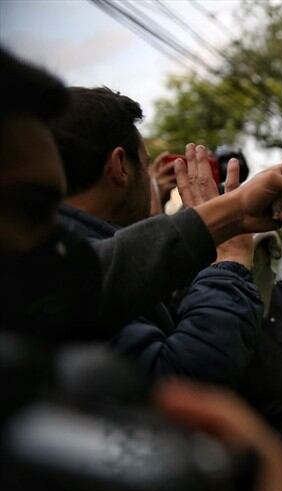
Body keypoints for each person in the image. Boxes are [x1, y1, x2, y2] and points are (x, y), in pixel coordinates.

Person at [0, 46, 282, 491]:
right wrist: (229, 255)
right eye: (29, 210)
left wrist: (229, 214)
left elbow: (97, 276)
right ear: (120, 166)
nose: (57, 247)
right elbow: (186, 370)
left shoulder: (60, 269)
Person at [50, 87, 261, 387]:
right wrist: (230, 260)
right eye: (145, 165)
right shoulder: (69, 271)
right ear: (120, 166)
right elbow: (180, 381)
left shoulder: (54, 251)